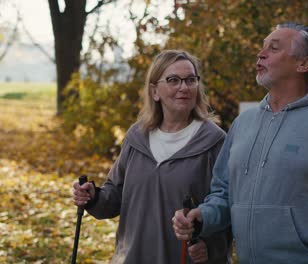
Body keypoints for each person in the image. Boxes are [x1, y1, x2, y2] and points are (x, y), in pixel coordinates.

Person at [172, 22, 308, 264]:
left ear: (304, 63)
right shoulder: (243, 124)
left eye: (273, 49)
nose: (260, 54)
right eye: (262, 47)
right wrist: (202, 217)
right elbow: (224, 195)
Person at [73, 50, 232, 264]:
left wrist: (210, 247)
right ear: (155, 91)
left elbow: (228, 207)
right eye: (173, 80)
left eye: (190, 80)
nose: (184, 87)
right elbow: (115, 196)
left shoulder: (214, 141)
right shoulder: (137, 137)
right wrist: (93, 197)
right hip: (132, 257)